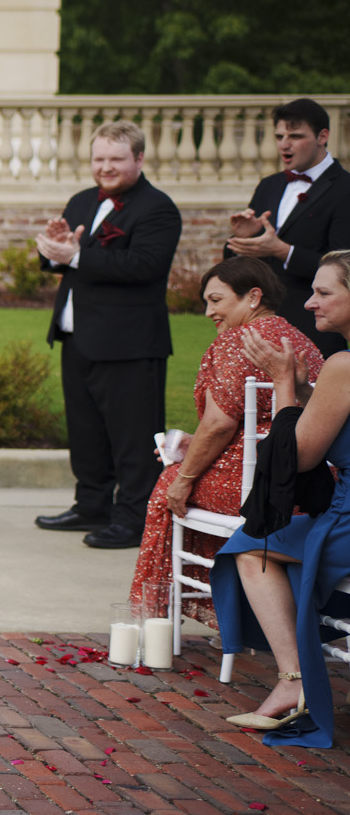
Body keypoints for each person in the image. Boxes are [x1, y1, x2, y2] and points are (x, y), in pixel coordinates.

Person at [126, 257, 323, 633]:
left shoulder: (236, 341)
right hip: (309, 483)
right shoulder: (301, 340)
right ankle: (238, 611)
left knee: (168, 487)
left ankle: (154, 621)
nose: (207, 311)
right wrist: (192, 441)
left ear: (253, 296)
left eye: (216, 300)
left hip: (256, 487)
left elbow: (219, 424)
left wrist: (184, 476)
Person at [213, 252, 350, 743]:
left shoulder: (344, 365)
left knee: (252, 545)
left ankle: (294, 680)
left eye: (325, 292)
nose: (309, 301)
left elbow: (300, 457)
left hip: (347, 523)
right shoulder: (337, 371)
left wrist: (283, 382)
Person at [33, 120, 181, 550]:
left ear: (138, 159)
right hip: (78, 336)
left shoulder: (157, 208)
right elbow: (67, 259)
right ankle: (91, 504)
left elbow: (144, 267)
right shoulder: (82, 201)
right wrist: (56, 250)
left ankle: (135, 517)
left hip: (130, 343)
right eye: (99, 159)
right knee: (85, 432)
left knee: (133, 438)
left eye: (116, 159)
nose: (105, 167)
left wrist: (78, 256)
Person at [228, 98, 350, 356]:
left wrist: (283, 251)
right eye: (279, 136)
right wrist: (242, 240)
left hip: (316, 329)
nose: (284, 143)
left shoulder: (344, 188)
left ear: (322, 136)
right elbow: (235, 265)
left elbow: (344, 266)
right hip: (261, 327)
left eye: (295, 136)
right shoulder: (269, 185)